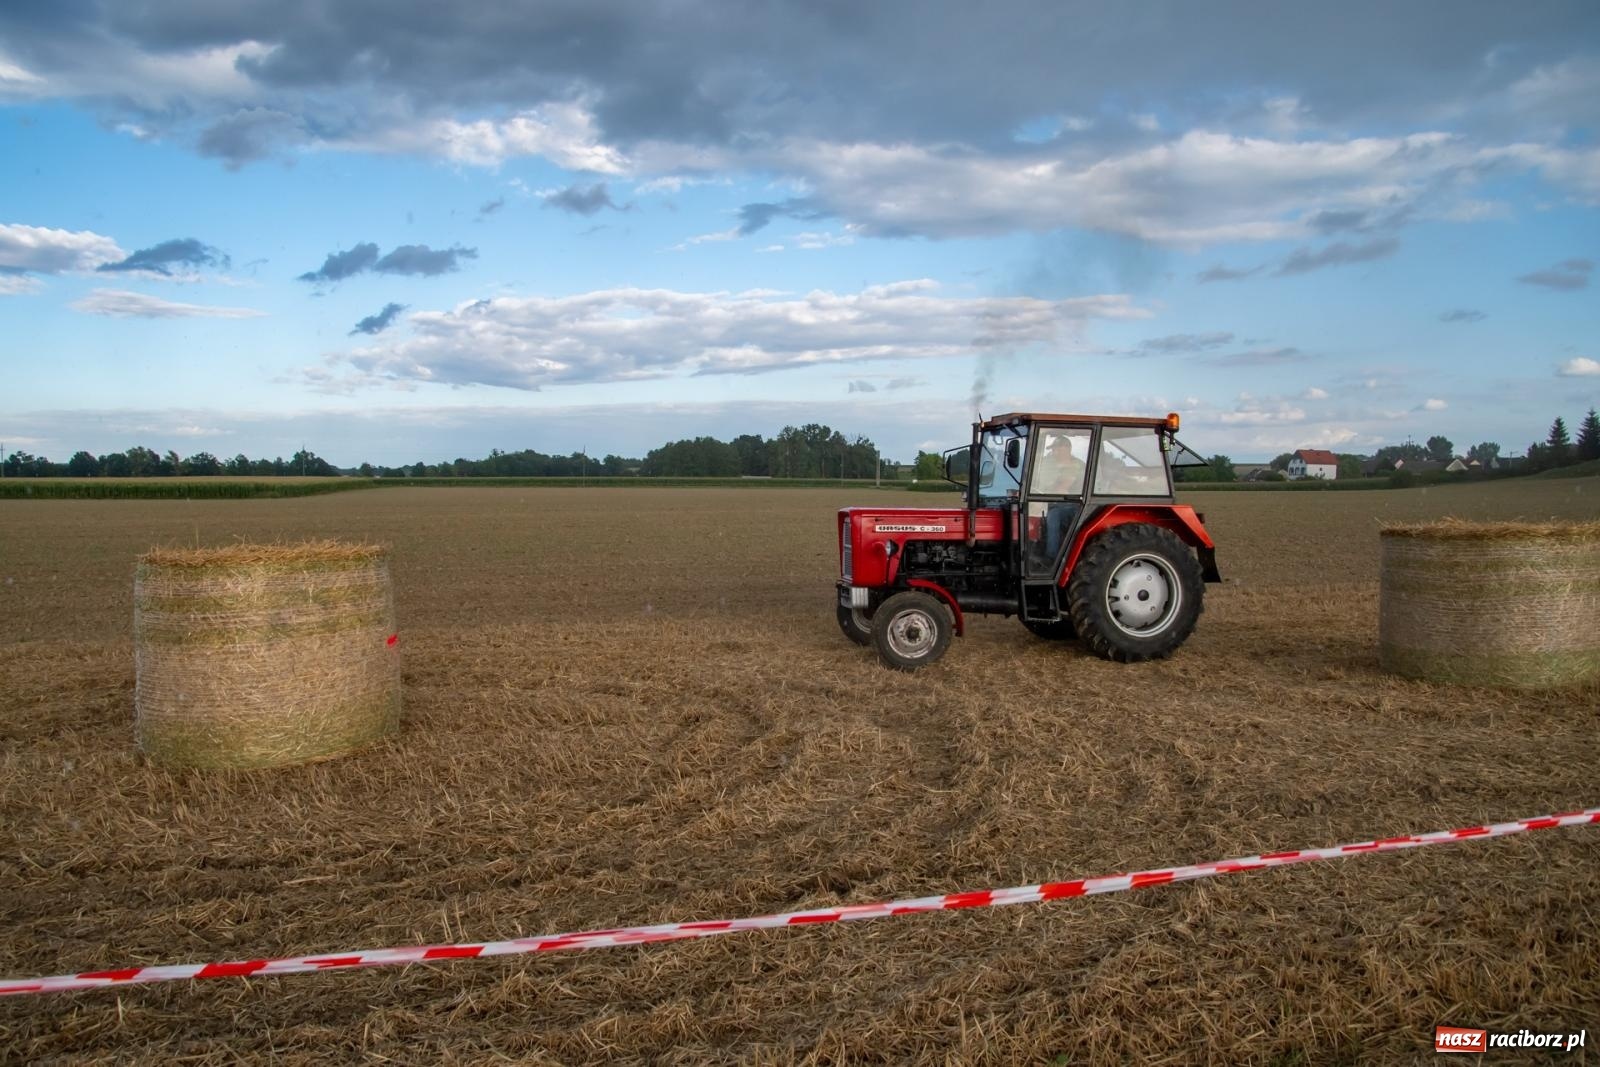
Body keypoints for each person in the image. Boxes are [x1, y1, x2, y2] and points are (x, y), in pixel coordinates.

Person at [1033, 431, 1088, 569]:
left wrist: (1040, 498)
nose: (1053, 452)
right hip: (1062, 503)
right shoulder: (1055, 465)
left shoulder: (1075, 465)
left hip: (1079, 506)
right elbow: (1043, 484)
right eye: (1053, 450)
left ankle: (1052, 558)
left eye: (1056, 449)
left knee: (1053, 515)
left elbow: (1062, 487)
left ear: (1066, 449)